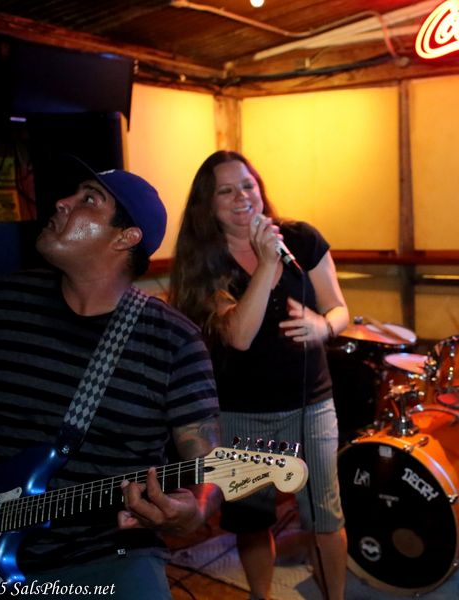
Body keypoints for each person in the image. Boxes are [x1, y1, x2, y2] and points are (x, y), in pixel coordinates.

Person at [0, 157, 222, 598]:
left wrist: (193, 511)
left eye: (89, 199)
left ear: (125, 237)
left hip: (108, 552)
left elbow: (208, 466)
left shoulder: (174, 341)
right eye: (73, 193)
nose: (62, 202)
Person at [168, 150, 350, 600]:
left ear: (260, 188)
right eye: (225, 191)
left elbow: (339, 309)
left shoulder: (301, 239)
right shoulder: (205, 264)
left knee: (325, 518)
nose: (241, 197)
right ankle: (260, 596)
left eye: (247, 185)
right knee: (252, 521)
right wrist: (267, 263)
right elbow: (239, 336)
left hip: (311, 404)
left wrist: (323, 326)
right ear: (208, 206)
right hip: (241, 413)